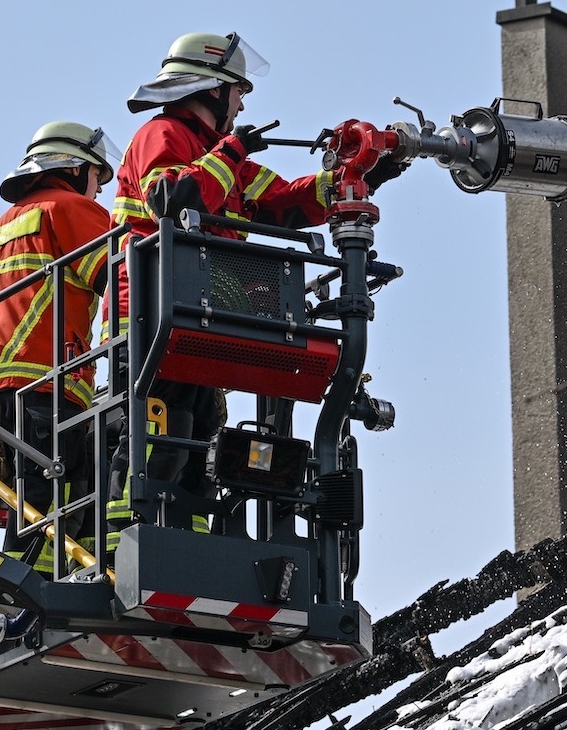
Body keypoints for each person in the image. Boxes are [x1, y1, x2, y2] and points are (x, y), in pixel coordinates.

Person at [105, 32, 399, 547]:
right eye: (238, 90)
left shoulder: (221, 155)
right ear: (210, 88)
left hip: (201, 312)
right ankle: (125, 548)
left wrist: (357, 178)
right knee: (160, 441)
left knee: (198, 454)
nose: (243, 103)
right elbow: (172, 198)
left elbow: (286, 203)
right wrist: (233, 151)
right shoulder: (163, 133)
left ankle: (189, 548)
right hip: (152, 312)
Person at [0, 120, 120, 571]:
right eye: (97, 176)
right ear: (74, 169)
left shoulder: (2, 227)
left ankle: (67, 569)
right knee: (56, 489)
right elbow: (120, 278)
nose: (98, 190)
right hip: (48, 377)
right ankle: (26, 583)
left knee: (30, 487)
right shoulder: (72, 209)